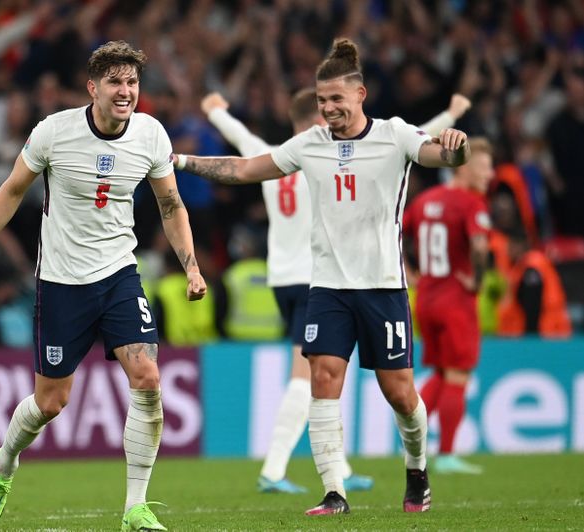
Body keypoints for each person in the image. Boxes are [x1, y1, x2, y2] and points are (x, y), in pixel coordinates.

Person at [173, 38, 472, 516]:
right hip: (328, 286)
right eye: (321, 100)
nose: (328, 108)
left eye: (336, 98)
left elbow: (440, 157)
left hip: (383, 287)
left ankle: (417, 468)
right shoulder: (309, 144)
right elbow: (247, 168)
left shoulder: (395, 135)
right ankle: (335, 492)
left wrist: (457, 148)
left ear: (360, 95)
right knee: (323, 379)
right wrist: (181, 162)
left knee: (399, 392)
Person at [0, 40, 207, 531]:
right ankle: (5, 460)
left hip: (118, 275)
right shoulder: (54, 132)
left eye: (131, 82)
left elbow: (172, 208)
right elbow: (12, 191)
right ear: (93, 87)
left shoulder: (151, 135)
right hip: (61, 282)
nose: (125, 91)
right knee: (51, 403)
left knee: (148, 377)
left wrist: (191, 265)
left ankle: (135, 507)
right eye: (115, 82)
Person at [404, 137, 495, 475]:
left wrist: (408, 271)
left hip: (425, 299)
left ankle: (409, 433)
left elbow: (394, 231)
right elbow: (480, 248)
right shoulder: (471, 204)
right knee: (458, 374)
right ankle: (446, 455)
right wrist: (478, 280)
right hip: (456, 299)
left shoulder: (426, 199)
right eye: (485, 167)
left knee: (442, 372)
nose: (490, 174)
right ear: (467, 167)